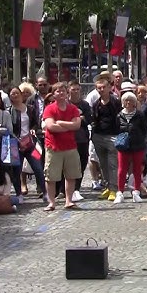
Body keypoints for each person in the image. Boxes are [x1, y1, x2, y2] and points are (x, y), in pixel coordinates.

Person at [41, 82, 82, 211]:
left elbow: (77, 125)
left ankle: (68, 200)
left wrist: (61, 123)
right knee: (51, 177)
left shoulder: (73, 109)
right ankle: (51, 202)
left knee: (71, 175)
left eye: (63, 90)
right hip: (53, 147)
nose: (61, 93)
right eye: (58, 91)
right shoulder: (49, 109)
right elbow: (51, 126)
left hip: (70, 147)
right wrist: (68, 126)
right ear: (53, 94)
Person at [113, 91, 147, 204]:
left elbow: (144, 129)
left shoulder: (139, 115)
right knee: (122, 170)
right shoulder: (119, 116)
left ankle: (136, 191)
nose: (128, 102)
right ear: (123, 102)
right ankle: (120, 192)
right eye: (126, 100)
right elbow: (116, 129)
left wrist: (138, 138)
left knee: (137, 169)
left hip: (137, 145)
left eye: (131, 100)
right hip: (123, 146)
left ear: (134, 103)